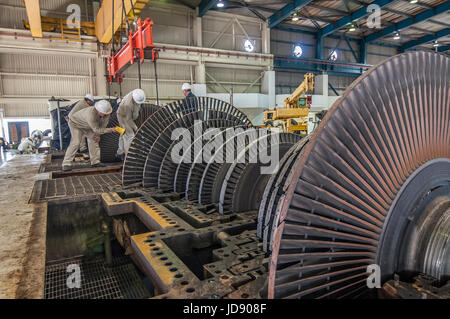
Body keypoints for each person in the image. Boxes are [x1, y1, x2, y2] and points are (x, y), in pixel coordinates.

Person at [62, 100, 115, 171]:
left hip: (87, 126)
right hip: (75, 124)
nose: (103, 114)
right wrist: (111, 130)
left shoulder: (107, 114)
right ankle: (66, 163)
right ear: (97, 109)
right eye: (102, 113)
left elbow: (103, 126)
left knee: (94, 140)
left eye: (105, 113)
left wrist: (98, 135)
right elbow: (96, 129)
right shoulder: (91, 114)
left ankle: (95, 162)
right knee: (76, 142)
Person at [116, 89, 146, 159]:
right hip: (123, 117)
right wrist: (136, 128)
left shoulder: (137, 93)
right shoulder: (128, 105)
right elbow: (128, 119)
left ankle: (120, 151)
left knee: (123, 132)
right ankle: (129, 156)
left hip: (127, 115)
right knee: (129, 135)